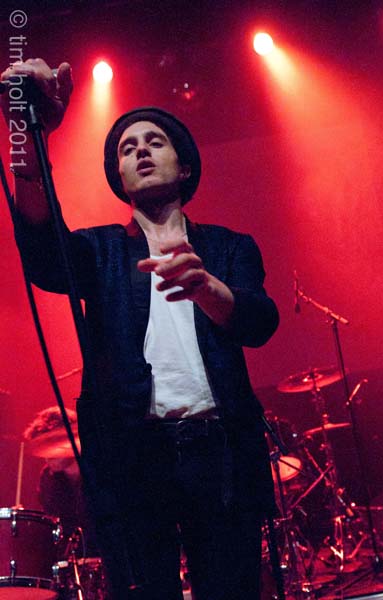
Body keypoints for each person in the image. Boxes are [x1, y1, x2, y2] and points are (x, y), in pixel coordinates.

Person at [1, 58, 280, 600]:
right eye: (128, 149)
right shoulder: (101, 250)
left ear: (185, 166)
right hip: (132, 458)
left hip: (218, 451)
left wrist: (208, 288)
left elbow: (260, 321)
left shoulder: (229, 247)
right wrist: (29, 138)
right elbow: (43, 254)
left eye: (155, 142)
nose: (141, 152)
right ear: (120, 177)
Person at [23, 406, 99, 559]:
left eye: (51, 445)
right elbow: (52, 526)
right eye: (42, 448)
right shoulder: (48, 478)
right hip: (72, 561)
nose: (47, 456)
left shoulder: (101, 470)